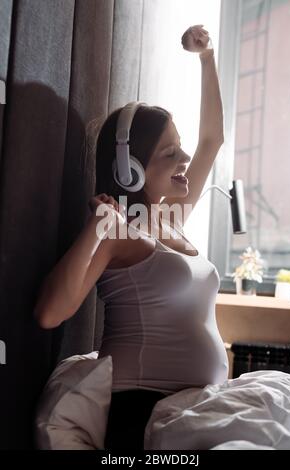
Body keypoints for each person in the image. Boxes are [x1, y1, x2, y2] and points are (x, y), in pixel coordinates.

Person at [34, 25, 228, 450]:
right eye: (169, 152)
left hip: (190, 407)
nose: (185, 159)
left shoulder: (172, 215)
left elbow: (213, 140)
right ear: (130, 168)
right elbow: (50, 314)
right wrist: (95, 227)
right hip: (144, 412)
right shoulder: (120, 231)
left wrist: (207, 57)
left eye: (180, 147)